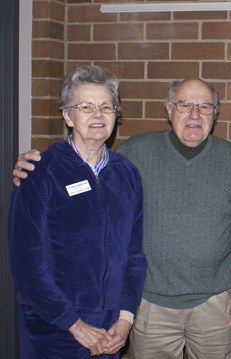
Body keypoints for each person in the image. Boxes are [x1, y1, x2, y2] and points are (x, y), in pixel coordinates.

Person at [13, 78, 231, 359]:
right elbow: (27, 261)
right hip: (149, 306)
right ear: (168, 110)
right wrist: (27, 167)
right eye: (185, 105)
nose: (195, 115)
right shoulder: (133, 155)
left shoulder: (228, 159)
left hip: (212, 305)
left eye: (205, 106)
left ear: (216, 113)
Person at [8, 65, 147, 358]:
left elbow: (134, 255)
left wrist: (124, 321)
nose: (98, 114)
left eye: (106, 106)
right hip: (53, 328)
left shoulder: (127, 175)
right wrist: (74, 324)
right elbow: (27, 263)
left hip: (110, 329)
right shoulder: (40, 172)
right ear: (68, 116)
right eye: (86, 107)